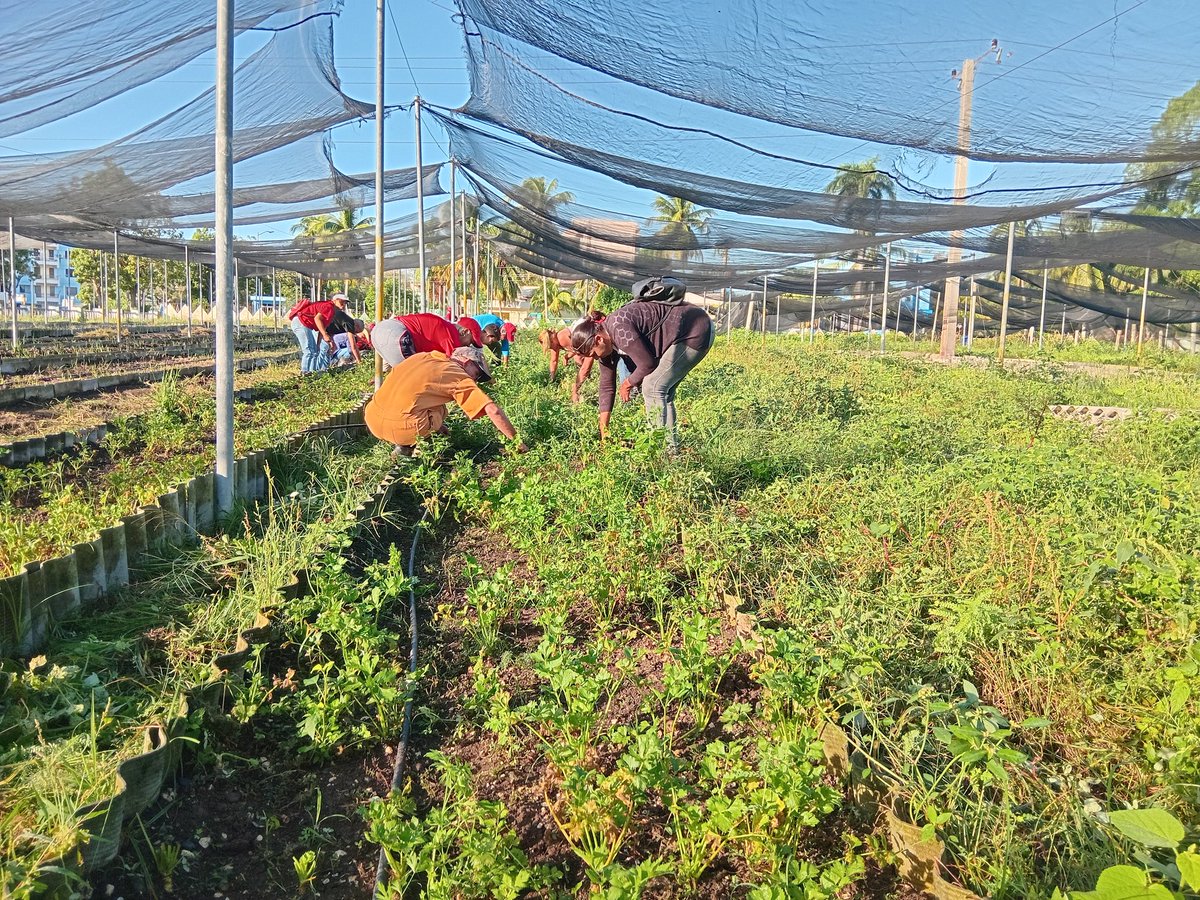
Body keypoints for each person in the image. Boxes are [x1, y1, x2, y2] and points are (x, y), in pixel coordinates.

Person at [570, 276, 714, 450]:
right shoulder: (605, 346)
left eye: (592, 354)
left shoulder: (618, 327)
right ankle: (671, 452)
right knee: (663, 392)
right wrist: (604, 431)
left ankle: (658, 450)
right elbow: (606, 387)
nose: (593, 358)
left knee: (652, 387)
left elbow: (647, 363)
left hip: (695, 329)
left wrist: (628, 383)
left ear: (598, 339)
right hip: (691, 329)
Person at [364, 346, 527, 455]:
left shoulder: (423, 357)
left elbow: (417, 394)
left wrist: (439, 426)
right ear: (467, 362)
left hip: (372, 418)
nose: (474, 380)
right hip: (401, 427)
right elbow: (493, 410)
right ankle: (409, 448)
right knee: (441, 410)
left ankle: (403, 441)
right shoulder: (458, 375)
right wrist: (517, 442)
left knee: (431, 401)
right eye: (476, 374)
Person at [371, 312, 481, 369]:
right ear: (465, 331)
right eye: (470, 341)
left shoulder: (444, 326)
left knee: (401, 377)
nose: (467, 346)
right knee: (412, 378)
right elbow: (456, 366)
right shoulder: (451, 334)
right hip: (396, 334)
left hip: (381, 331)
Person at [291, 292, 355, 373]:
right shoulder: (329, 306)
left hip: (304, 324)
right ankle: (304, 373)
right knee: (309, 351)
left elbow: (322, 327)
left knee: (315, 351)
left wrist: (318, 344)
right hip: (301, 322)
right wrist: (325, 334)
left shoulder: (332, 312)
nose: (343, 304)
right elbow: (317, 319)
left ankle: (311, 373)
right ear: (334, 300)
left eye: (345, 303)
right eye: (341, 302)